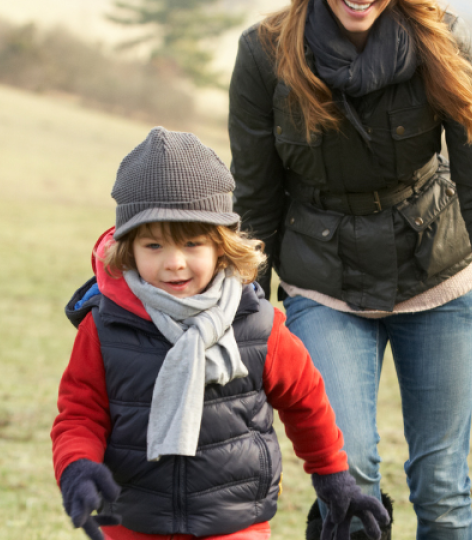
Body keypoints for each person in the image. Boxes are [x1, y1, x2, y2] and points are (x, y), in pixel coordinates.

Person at [228, 0, 472, 539]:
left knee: (442, 483)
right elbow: (255, 204)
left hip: (438, 275)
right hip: (322, 282)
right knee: (348, 474)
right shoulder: (264, 53)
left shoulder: (444, 41)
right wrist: (244, 328)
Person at [49, 127, 388, 540]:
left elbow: (306, 402)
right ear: (127, 249)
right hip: (132, 519)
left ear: (221, 246)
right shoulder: (104, 325)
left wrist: (333, 477)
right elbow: (80, 413)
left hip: (235, 521)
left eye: (192, 244)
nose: (174, 263)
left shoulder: (259, 325)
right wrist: (77, 467)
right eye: (153, 246)